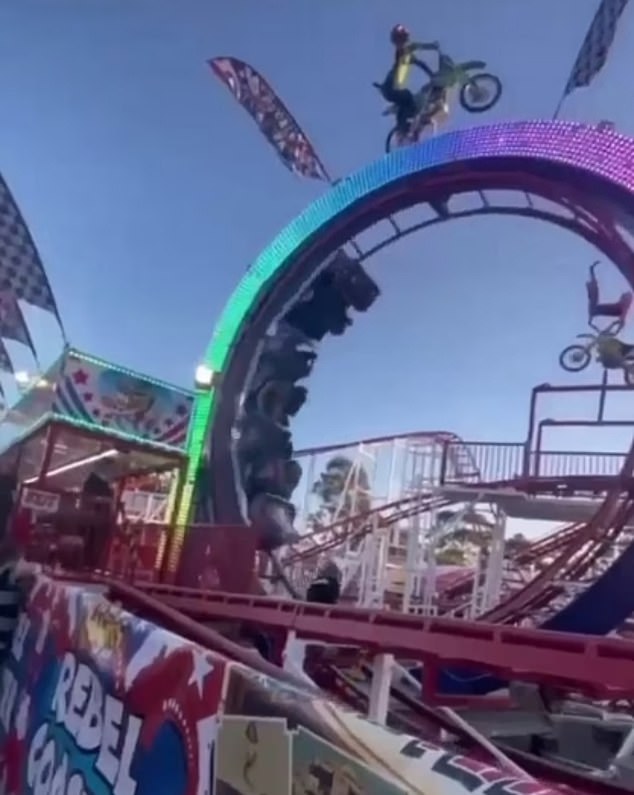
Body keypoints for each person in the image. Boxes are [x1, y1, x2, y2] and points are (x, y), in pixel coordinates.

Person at [375, 24, 439, 134]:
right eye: (401, 40)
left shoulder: (407, 55)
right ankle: (402, 127)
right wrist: (432, 46)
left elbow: (421, 64)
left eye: (403, 40)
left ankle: (409, 126)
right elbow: (417, 47)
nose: (403, 43)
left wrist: (432, 75)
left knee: (409, 100)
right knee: (407, 97)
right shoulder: (403, 52)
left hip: (390, 88)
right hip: (389, 88)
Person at [586, 261, 632, 332]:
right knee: (594, 301)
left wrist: (619, 325)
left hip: (617, 309)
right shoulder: (622, 305)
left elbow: (624, 312)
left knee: (594, 304)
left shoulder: (624, 305)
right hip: (616, 309)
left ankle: (615, 326)